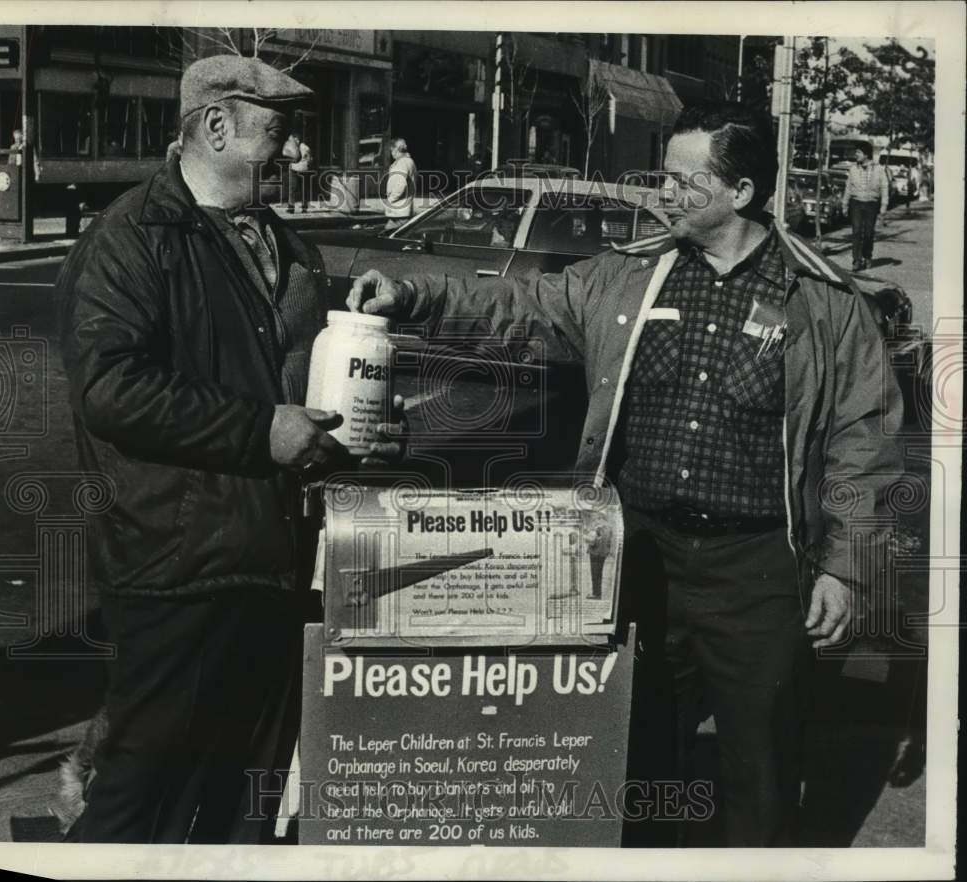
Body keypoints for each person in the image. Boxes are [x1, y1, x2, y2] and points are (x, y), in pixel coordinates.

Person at [348, 101, 904, 847]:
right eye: (663, 178)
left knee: (762, 767)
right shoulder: (628, 276)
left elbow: (863, 436)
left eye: (684, 181)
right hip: (637, 555)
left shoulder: (825, 303)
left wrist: (848, 566)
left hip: (760, 570)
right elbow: (521, 306)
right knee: (638, 761)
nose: (664, 195)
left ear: (740, 194)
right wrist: (417, 293)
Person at [57, 55, 404, 844]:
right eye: (275, 134)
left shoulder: (285, 245)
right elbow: (111, 389)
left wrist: (361, 423)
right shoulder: (131, 239)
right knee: (142, 791)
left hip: (275, 560)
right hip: (177, 567)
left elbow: (298, 388)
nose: (291, 154)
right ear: (215, 126)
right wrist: (263, 430)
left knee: (245, 793)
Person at [842, 142, 889, 272]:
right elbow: (848, 188)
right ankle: (856, 260)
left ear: (866, 154)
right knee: (856, 232)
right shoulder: (853, 169)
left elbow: (884, 188)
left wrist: (883, 206)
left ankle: (867, 256)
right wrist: (845, 204)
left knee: (868, 233)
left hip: (871, 204)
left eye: (858, 152)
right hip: (856, 203)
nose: (856, 155)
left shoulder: (879, 169)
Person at [384, 136, 416, 228]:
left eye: (392, 150)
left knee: (388, 237)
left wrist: (390, 200)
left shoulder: (402, 163)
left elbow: (400, 185)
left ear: (396, 149)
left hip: (399, 211)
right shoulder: (409, 161)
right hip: (403, 210)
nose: (391, 153)